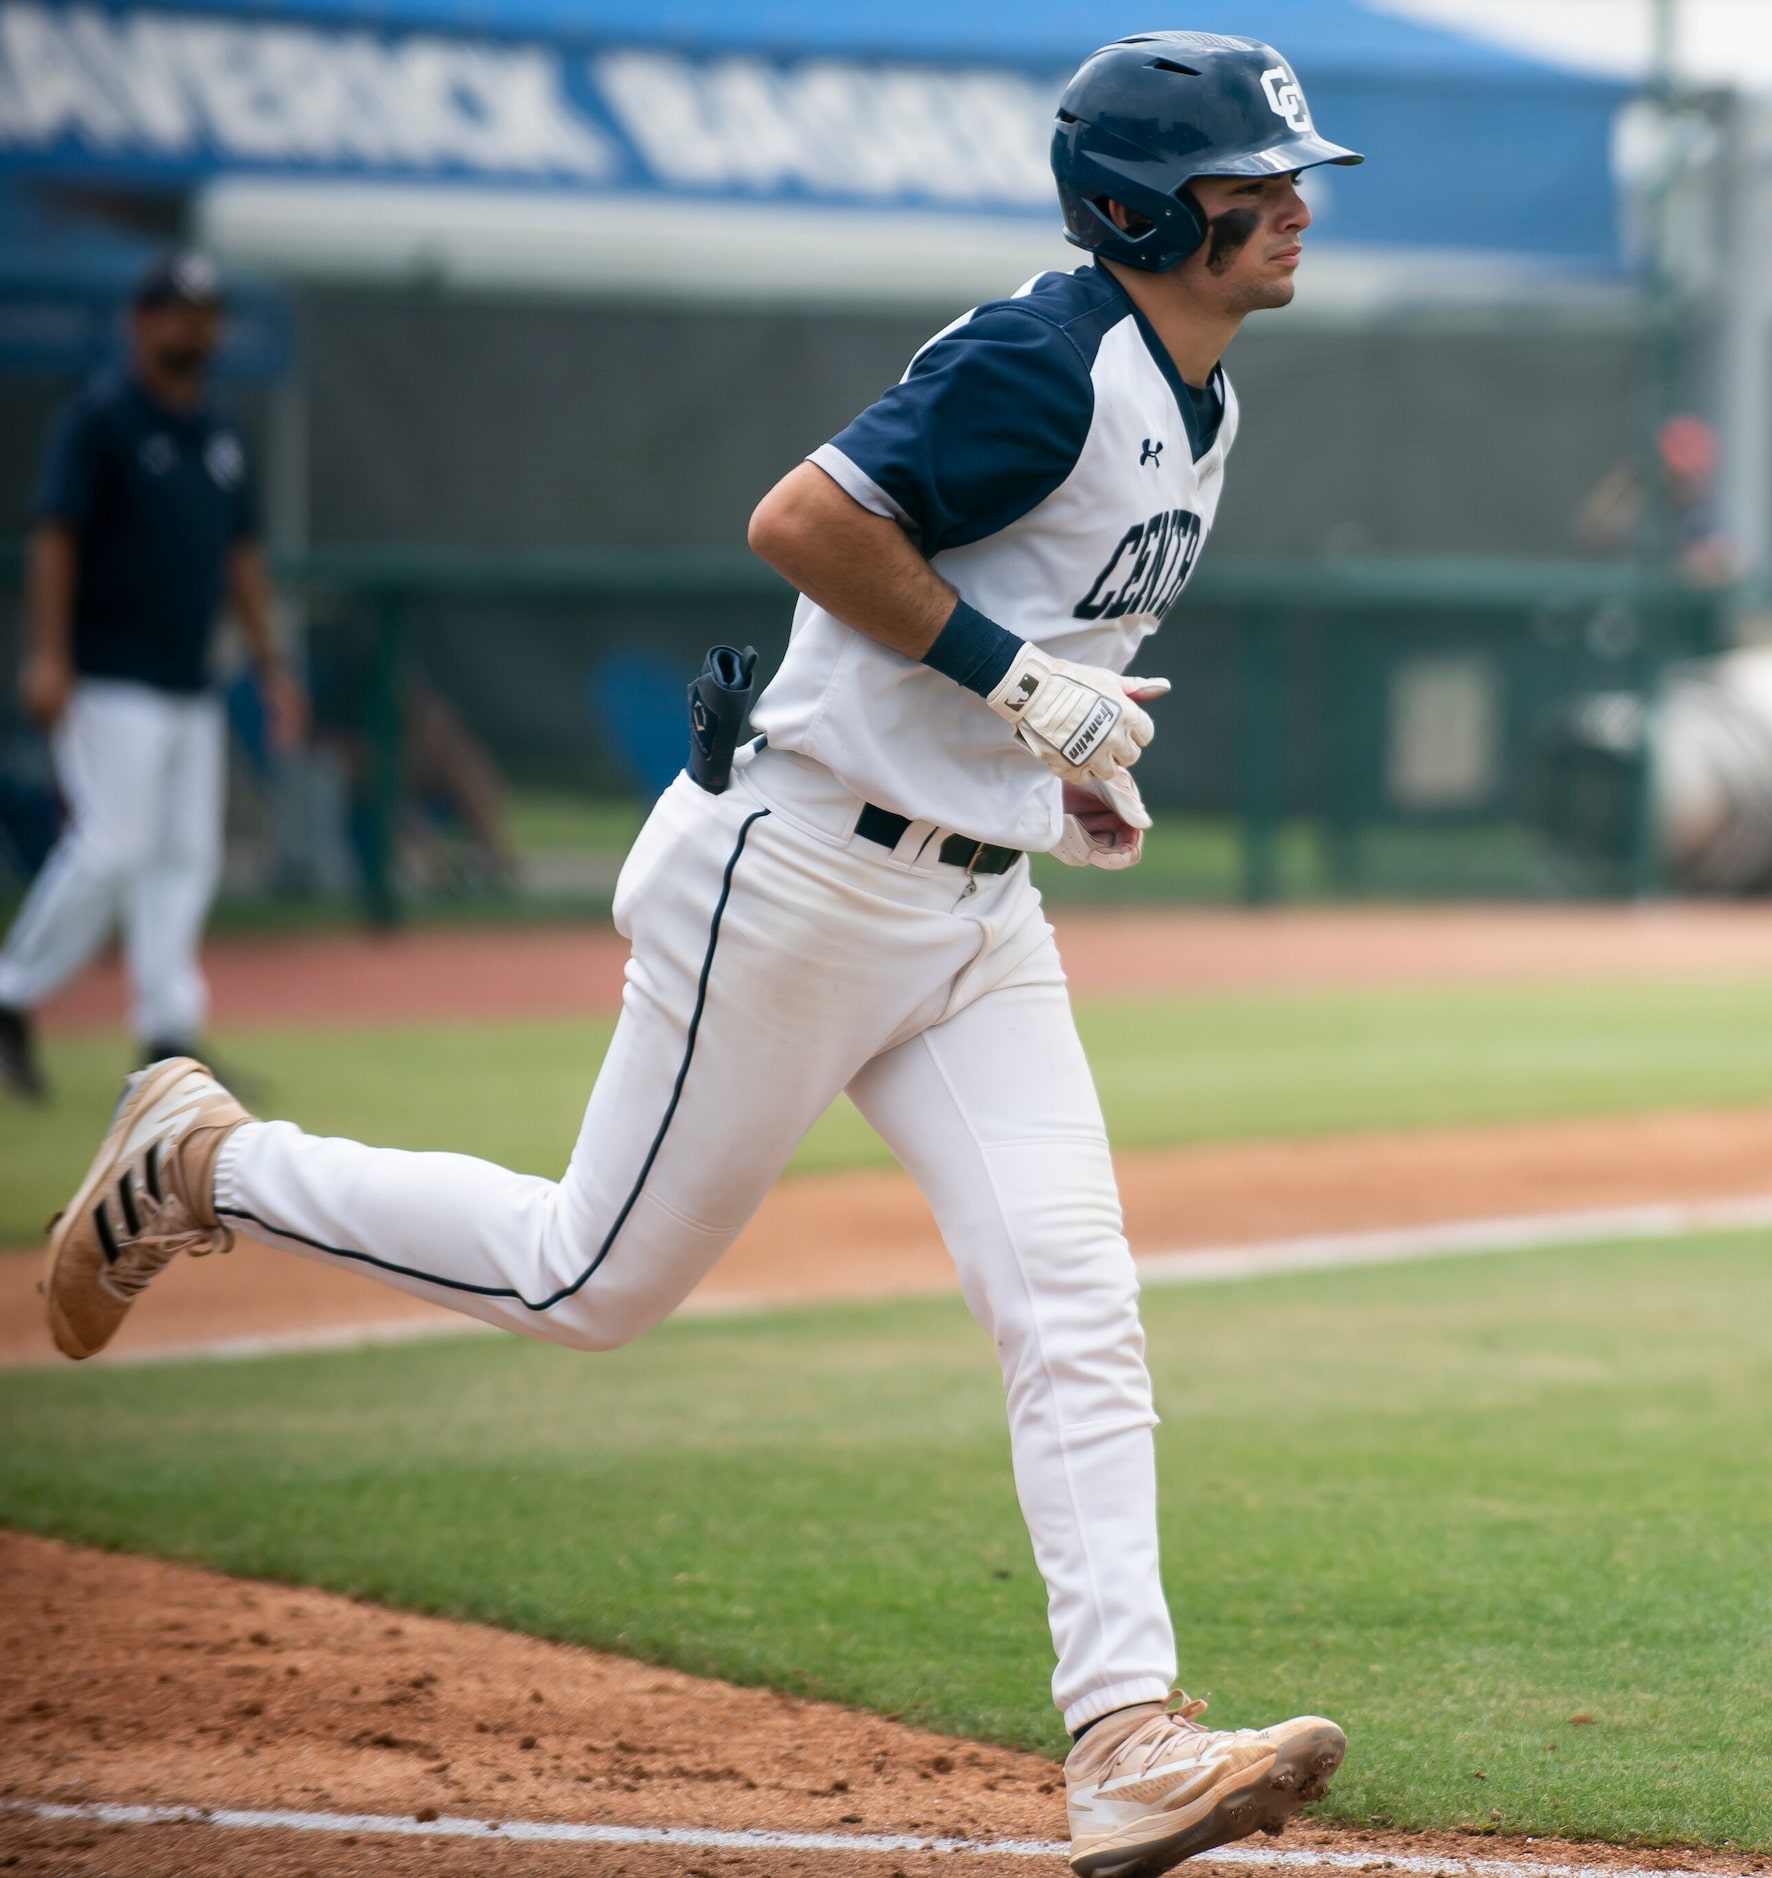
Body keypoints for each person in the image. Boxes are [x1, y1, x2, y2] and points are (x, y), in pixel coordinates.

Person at [40, 36, 1356, 1878]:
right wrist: (1015, 688)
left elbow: (1016, 642)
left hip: (972, 908)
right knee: (592, 1279)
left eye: (1292, 169)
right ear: (1143, 204)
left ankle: (1127, 1736)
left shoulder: (1199, 400)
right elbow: (803, 524)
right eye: (1251, 174)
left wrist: (1047, 779)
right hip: (800, 879)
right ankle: (205, 1161)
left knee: (1071, 1297)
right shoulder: (1045, 361)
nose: (1292, 200)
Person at [0, 250, 306, 1099]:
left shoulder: (217, 431)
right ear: (141, 321)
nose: (195, 328)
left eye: (206, 314)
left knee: (184, 857)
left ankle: (166, 1036)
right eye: (178, 311)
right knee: (112, 846)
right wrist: (49, 653)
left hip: (188, 681)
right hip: (108, 675)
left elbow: (241, 557)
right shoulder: (100, 420)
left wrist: (273, 666)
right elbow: (54, 537)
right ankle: (12, 997)